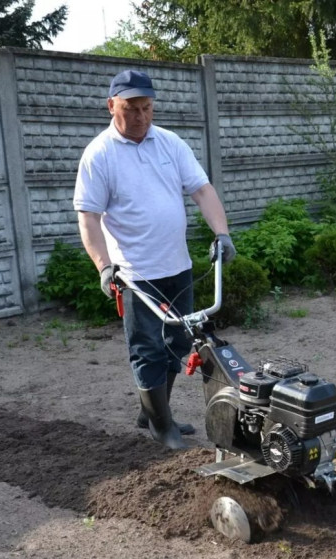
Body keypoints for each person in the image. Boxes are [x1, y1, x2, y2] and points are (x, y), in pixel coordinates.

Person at [73, 69, 236, 449]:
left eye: (147, 108)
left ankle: (152, 412)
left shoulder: (170, 143)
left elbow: (202, 191)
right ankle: (162, 428)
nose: (141, 116)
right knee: (147, 349)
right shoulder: (99, 154)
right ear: (111, 106)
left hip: (176, 266)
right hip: (134, 274)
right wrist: (103, 266)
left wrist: (222, 232)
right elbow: (88, 218)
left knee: (177, 344)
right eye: (131, 109)